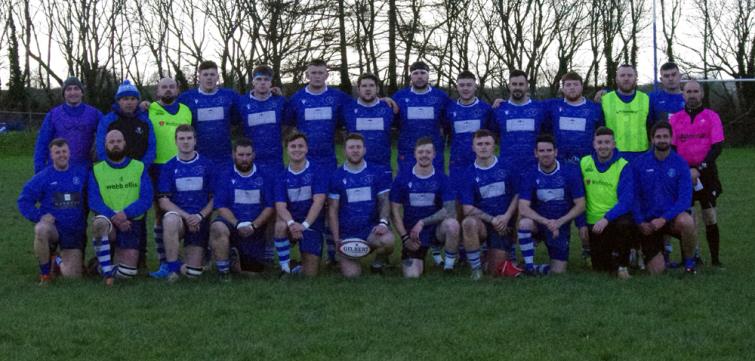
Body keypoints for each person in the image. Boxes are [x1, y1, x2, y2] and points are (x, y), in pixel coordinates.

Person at [18, 138, 89, 284]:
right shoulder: (43, 176)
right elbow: (24, 200)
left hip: (74, 230)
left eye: (64, 151)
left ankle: (55, 259)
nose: (61, 155)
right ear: (51, 155)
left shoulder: (81, 173)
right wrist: (39, 216)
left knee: (72, 276)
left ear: (69, 153)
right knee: (41, 229)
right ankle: (45, 275)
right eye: (57, 152)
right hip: (54, 228)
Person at [670, 80, 725, 266]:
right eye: (688, 91)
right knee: (688, 218)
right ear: (683, 94)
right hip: (684, 174)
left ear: (701, 94)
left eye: (695, 91)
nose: (692, 94)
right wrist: (686, 170)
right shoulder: (675, 119)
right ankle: (693, 257)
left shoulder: (712, 116)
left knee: (709, 215)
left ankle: (716, 260)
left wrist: (700, 167)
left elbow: (717, 146)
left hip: (707, 172)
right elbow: (672, 147)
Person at [150, 125, 214, 280]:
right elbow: (163, 202)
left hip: (199, 220)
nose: (186, 142)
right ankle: (172, 269)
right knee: (170, 218)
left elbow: (215, 198)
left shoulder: (207, 164)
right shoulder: (169, 166)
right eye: (182, 139)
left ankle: (200, 257)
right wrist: (187, 217)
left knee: (193, 274)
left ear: (195, 141)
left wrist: (199, 216)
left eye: (189, 138)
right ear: (176, 142)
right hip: (180, 219)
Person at [631, 121, 697, 274]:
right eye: (658, 137)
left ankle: (689, 264)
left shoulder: (680, 163)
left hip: (669, 219)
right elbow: (633, 196)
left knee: (687, 221)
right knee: (657, 271)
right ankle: (645, 254)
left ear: (671, 139)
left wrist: (663, 219)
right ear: (652, 139)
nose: (662, 140)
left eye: (665, 136)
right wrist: (641, 222)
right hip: (649, 223)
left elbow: (684, 200)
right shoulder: (639, 163)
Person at [88, 130, 153, 283]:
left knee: (128, 273)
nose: (115, 145)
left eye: (118, 141)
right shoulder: (97, 170)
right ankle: (107, 273)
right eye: (111, 142)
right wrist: (114, 217)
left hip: (131, 222)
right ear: (105, 146)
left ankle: (98, 266)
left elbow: (146, 198)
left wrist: (126, 214)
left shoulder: (139, 167)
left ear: (124, 143)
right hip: (110, 222)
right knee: (99, 223)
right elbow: (94, 201)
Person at [390, 137, 460, 277]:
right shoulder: (402, 178)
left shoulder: (442, 178)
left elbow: (450, 210)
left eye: (428, 152)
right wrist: (405, 239)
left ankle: (448, 267)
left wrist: (423, 222)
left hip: (436, 229)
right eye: (420, 152)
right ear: (415, 154)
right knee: (412, 275)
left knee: (452, 224)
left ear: (434, 154)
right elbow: (394, 211)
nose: (424, 155)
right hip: (413, 234)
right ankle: (421, 254)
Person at [328, 133, 394, 277]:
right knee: (352, 275)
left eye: (358, 147)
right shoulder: (336, 176)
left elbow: (385, 200)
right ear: (345, 151)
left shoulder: (377, 172)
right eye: (351, 147)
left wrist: (383, 223)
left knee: (388, 240)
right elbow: (333, 210)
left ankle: (378, 263)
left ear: (364, 150)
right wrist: (337, 238)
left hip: (371, 232)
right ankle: (345, 260)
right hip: (347, 236)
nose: (355, 150)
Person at [518, 134, 586, 275]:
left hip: (560, 226)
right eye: (541, 151)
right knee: (524, 223)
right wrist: (547, 222)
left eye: (549, 150)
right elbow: (523, 207)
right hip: (539, 224)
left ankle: (532, 268)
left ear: (556, 152)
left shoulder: (570, 172)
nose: (545, 154)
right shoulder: (530, 174)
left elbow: (581, 205)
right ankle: (529, 267)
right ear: (535, 153)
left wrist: (559, 222)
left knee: (558, 272)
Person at [209, 138, 274, 280]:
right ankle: (224, 271)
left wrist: (254, 225)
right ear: (233, 155)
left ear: (254, 155)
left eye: (248, 155)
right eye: (241, 155)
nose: (244, 159)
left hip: (257, 228)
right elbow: (221, 206)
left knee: (254, 273)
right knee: (217, 227)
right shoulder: (224, 176)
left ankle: (266, 259)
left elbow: (270, 206)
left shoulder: (266, 175)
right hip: (233, 226)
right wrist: (237, 223)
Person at [459, 129, 520, 280]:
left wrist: (506, 217)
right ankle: (476, 270)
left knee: (495, 271)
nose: (483, 147)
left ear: (494, 146)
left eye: (487, 143)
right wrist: (492, 220)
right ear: (473, 147)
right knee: (468, 223)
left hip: (503, 224)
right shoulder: (468, 174)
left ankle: (490, 256)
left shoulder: (507, 166)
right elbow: (467, 208)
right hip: (484, 223)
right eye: (479, 144)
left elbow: (518, 194)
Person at [147, 77, 193, 268]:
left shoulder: (186, 110)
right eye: (163, 87)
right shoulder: (149, 109)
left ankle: (191, 253)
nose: (168, 90)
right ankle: (164, 261)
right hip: (158, 168)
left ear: (177, 90)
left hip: (183, 167)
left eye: (171, 87)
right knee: (161, 214)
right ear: (157, 91)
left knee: (187, 208)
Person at [578, 127, 635, 279]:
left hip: (614, 219)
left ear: (614, 144)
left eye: (607, 142)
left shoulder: (623, 165)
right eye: (600, 142)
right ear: (594, 144)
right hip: (593, 222)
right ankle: (613, 257)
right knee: (600, 268)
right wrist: (581, 223)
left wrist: (607, 218)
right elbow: (578, 196)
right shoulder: (584, 163)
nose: (603, 146)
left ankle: (623, 264)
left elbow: (627, 200)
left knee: (626, 224)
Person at [273, 132, 328, 276]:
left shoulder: (318, 171)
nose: (297, 149)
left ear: (307, 149)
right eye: (293, 146)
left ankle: (298, 266)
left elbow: (319, 202)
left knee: (310, 274)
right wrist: (291, 223)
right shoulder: (281, 176)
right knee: (280, 225)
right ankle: (284, 268)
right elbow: (280, 206)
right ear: (287, 149)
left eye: (300, 146)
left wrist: (304, 226)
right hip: (291, 223)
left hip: (311, 224)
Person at [177, 60, 240, 167]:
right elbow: (168, 109)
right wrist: (146, 106)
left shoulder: (230, 96)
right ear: (199, 77)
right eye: (205, 74)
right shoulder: (186, 98)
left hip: (224, 157)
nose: (209, 77)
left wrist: (272, 95)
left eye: (212, 74)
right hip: (197, 156)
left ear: (217, 77)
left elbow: (244, 113)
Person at [33, 77, 102, 173]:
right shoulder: (53, 115)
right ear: (64, 94)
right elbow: (42, 143)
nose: (73, 93)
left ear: (82, 92)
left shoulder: (94, 114)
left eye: (76, 89)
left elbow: (108, 135)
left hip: (84, 170)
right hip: (58, 170)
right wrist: (39, 170)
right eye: (69, 89)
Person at [393, 61, 451, 171]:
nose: (419, 76)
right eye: (415, 73)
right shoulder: (400, 96)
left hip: (433, 152)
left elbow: (448, 121)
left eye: (423, 73)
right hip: (407, 153)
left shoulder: (441, 97)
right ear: (411, 76)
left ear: (428, 75)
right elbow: (393, 120)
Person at [235, 65, 287, 178]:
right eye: (259, 79)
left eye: (266, 79)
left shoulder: (280, 101)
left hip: (275, 161)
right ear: (253, 82)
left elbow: (289, 124)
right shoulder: (241, 102)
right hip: (249, 160)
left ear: (271, 83)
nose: (262, 83)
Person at [490, 70, 547, 171]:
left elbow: (546, 134)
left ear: (527, 86)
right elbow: (492, 137)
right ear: (509, 86)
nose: (517, 87)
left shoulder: (540, 108)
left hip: (534, 167)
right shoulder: (499, 109)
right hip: (506, 168)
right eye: (514, 84)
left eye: (521, 84)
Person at [547, 71, 604, 165]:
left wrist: (606, 91)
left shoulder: (595, 108)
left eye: (576, 84)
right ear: (563, 88)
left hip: (588, 163)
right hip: (559, 163)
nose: (572, 87)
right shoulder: (553, 106)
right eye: (568, 85)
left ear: (582, 87)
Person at [96, 80, 156, 167]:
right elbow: (100, 146)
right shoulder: (108, 120)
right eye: (125, 99)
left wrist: (142, 167)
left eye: (133, 99)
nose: (129, 102)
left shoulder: (145, 121)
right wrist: (111, 166)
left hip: (140, 170)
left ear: (138, 101)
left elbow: (151, 146)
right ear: (118, 101)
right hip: (114, 170)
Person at [342, 73, 395, 170]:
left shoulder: (389, 107)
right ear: (358, 89)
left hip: (383, 167)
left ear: (377, 89)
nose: (368, 89)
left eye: (371, 85)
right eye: (364, 86)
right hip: (356, 167)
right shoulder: (347, 108)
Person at [600, 64, 651, 161]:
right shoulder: (605, 99)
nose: (626, 78)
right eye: (622, 75)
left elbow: (651, 126)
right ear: (616, 79)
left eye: (630, 75)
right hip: (613, 154)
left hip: (641, 155)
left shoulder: (646, 99)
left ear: (636, 78)